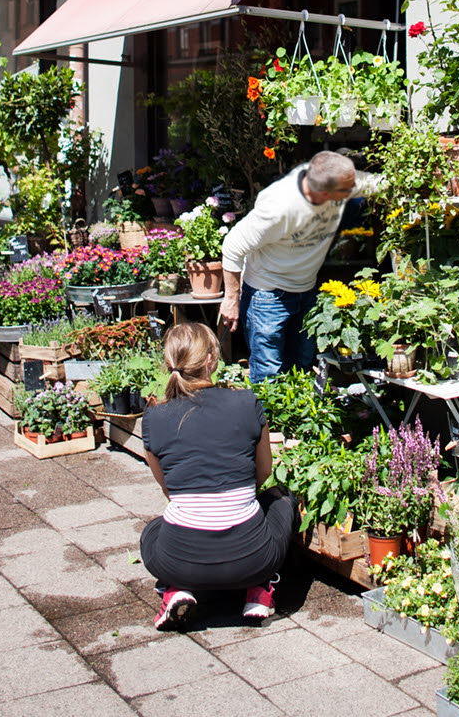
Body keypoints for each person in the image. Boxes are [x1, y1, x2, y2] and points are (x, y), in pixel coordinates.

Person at [139, 322, 296, 631]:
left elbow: (168, 488)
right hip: (253, 558)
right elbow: (264, 472)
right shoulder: (245, 402)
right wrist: (236, 494)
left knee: (152, 532)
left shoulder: (154, 417)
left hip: (178, 560)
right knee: (282, 500)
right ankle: (259, 591)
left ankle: (175, 589)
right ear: (211, 360)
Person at [218, 151, 378, 382]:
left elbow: (379, 184)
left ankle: (296, 418)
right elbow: (233, 246)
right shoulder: (279, 208)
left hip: (306, 289)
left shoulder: (335, 181)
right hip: (268, 295)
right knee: (268, 374)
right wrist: (231, 300)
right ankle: (267, 418)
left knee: (302, 366)